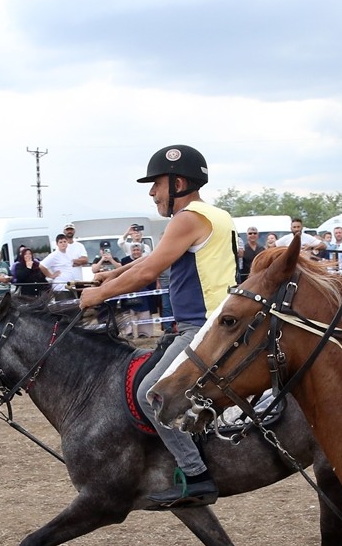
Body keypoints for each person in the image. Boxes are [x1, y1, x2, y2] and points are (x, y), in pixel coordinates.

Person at [79, 144, 237, 508]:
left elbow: (149, 271)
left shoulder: (186, 218)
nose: (152, 193)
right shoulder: (213, 215)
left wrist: (98, 295)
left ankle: (195, 474)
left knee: (151, 394)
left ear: (178, 183)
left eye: (157, 184)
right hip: (214, 322)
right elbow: (154, 259)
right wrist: (114, 274)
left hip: (202, 329)